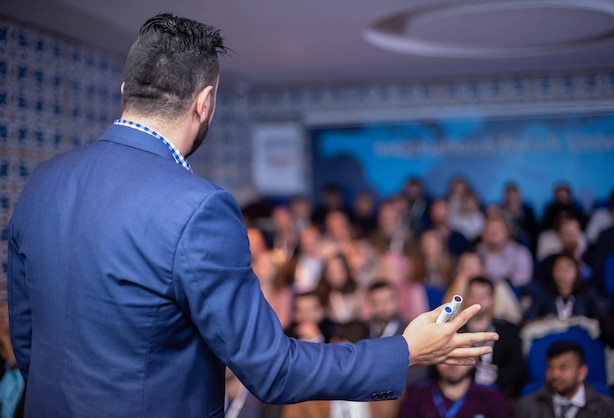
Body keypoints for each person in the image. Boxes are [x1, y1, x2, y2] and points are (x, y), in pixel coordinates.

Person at [7, 13, 497, 416]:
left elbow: (28, 343)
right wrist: (406, 351)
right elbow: (272, 369)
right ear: (205, 103)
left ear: (126, 90)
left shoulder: (41, 184)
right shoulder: (198, 207)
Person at [515, 341, 614, 418]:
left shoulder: (608, 409)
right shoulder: (526, 406)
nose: (555, 374)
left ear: (581, 373)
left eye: (563, 368)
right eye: (550, 368)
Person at [397, 361, 514, 418]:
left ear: (475, 360)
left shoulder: (493, 398)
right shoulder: (417, 395)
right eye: (447, 356)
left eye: (461, 357)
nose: (453, 363)